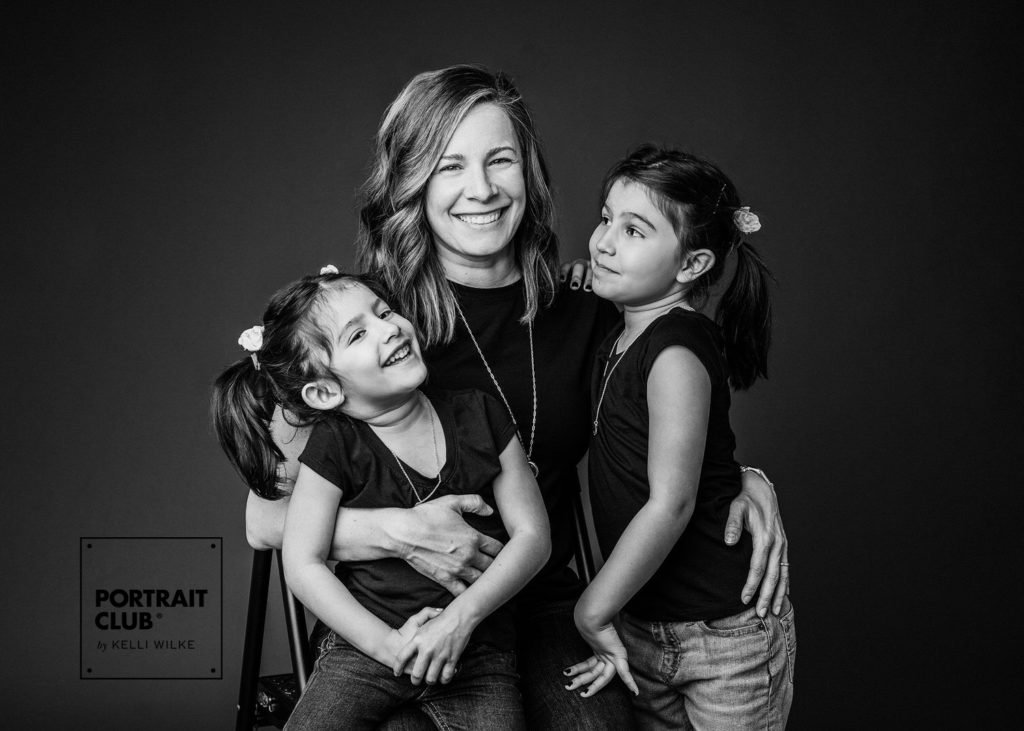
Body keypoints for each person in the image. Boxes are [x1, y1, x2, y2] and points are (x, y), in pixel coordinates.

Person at [243, 65, 791, 730]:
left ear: (527, 173)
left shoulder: (592, 306)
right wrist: (400, 533)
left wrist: (743, 477)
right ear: (415, 182)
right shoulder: (375, 325)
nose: (480, 189)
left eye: (499, 160)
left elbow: (671, 414)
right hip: (401, 606)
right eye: (450, 167)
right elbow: (263, 518)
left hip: (540, 595)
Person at [213, 269, 551, 730]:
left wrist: (458, 621)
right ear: (325, 391)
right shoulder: (332, 444)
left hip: (478, 655)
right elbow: (303, 564)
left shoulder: (481, 413)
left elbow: (533, 537)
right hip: (366, 652)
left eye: (386, 311)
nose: (390, 327)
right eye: (358, 334)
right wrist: (391, 647)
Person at [564, 146, 795, 729]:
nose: (603, 242)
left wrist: (594, 609)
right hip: (644, 631)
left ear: (691, 266)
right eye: (605, 218)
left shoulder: (675, 351)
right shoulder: (622, 332)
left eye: (634, 230)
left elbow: (673, 502)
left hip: (722, 641)